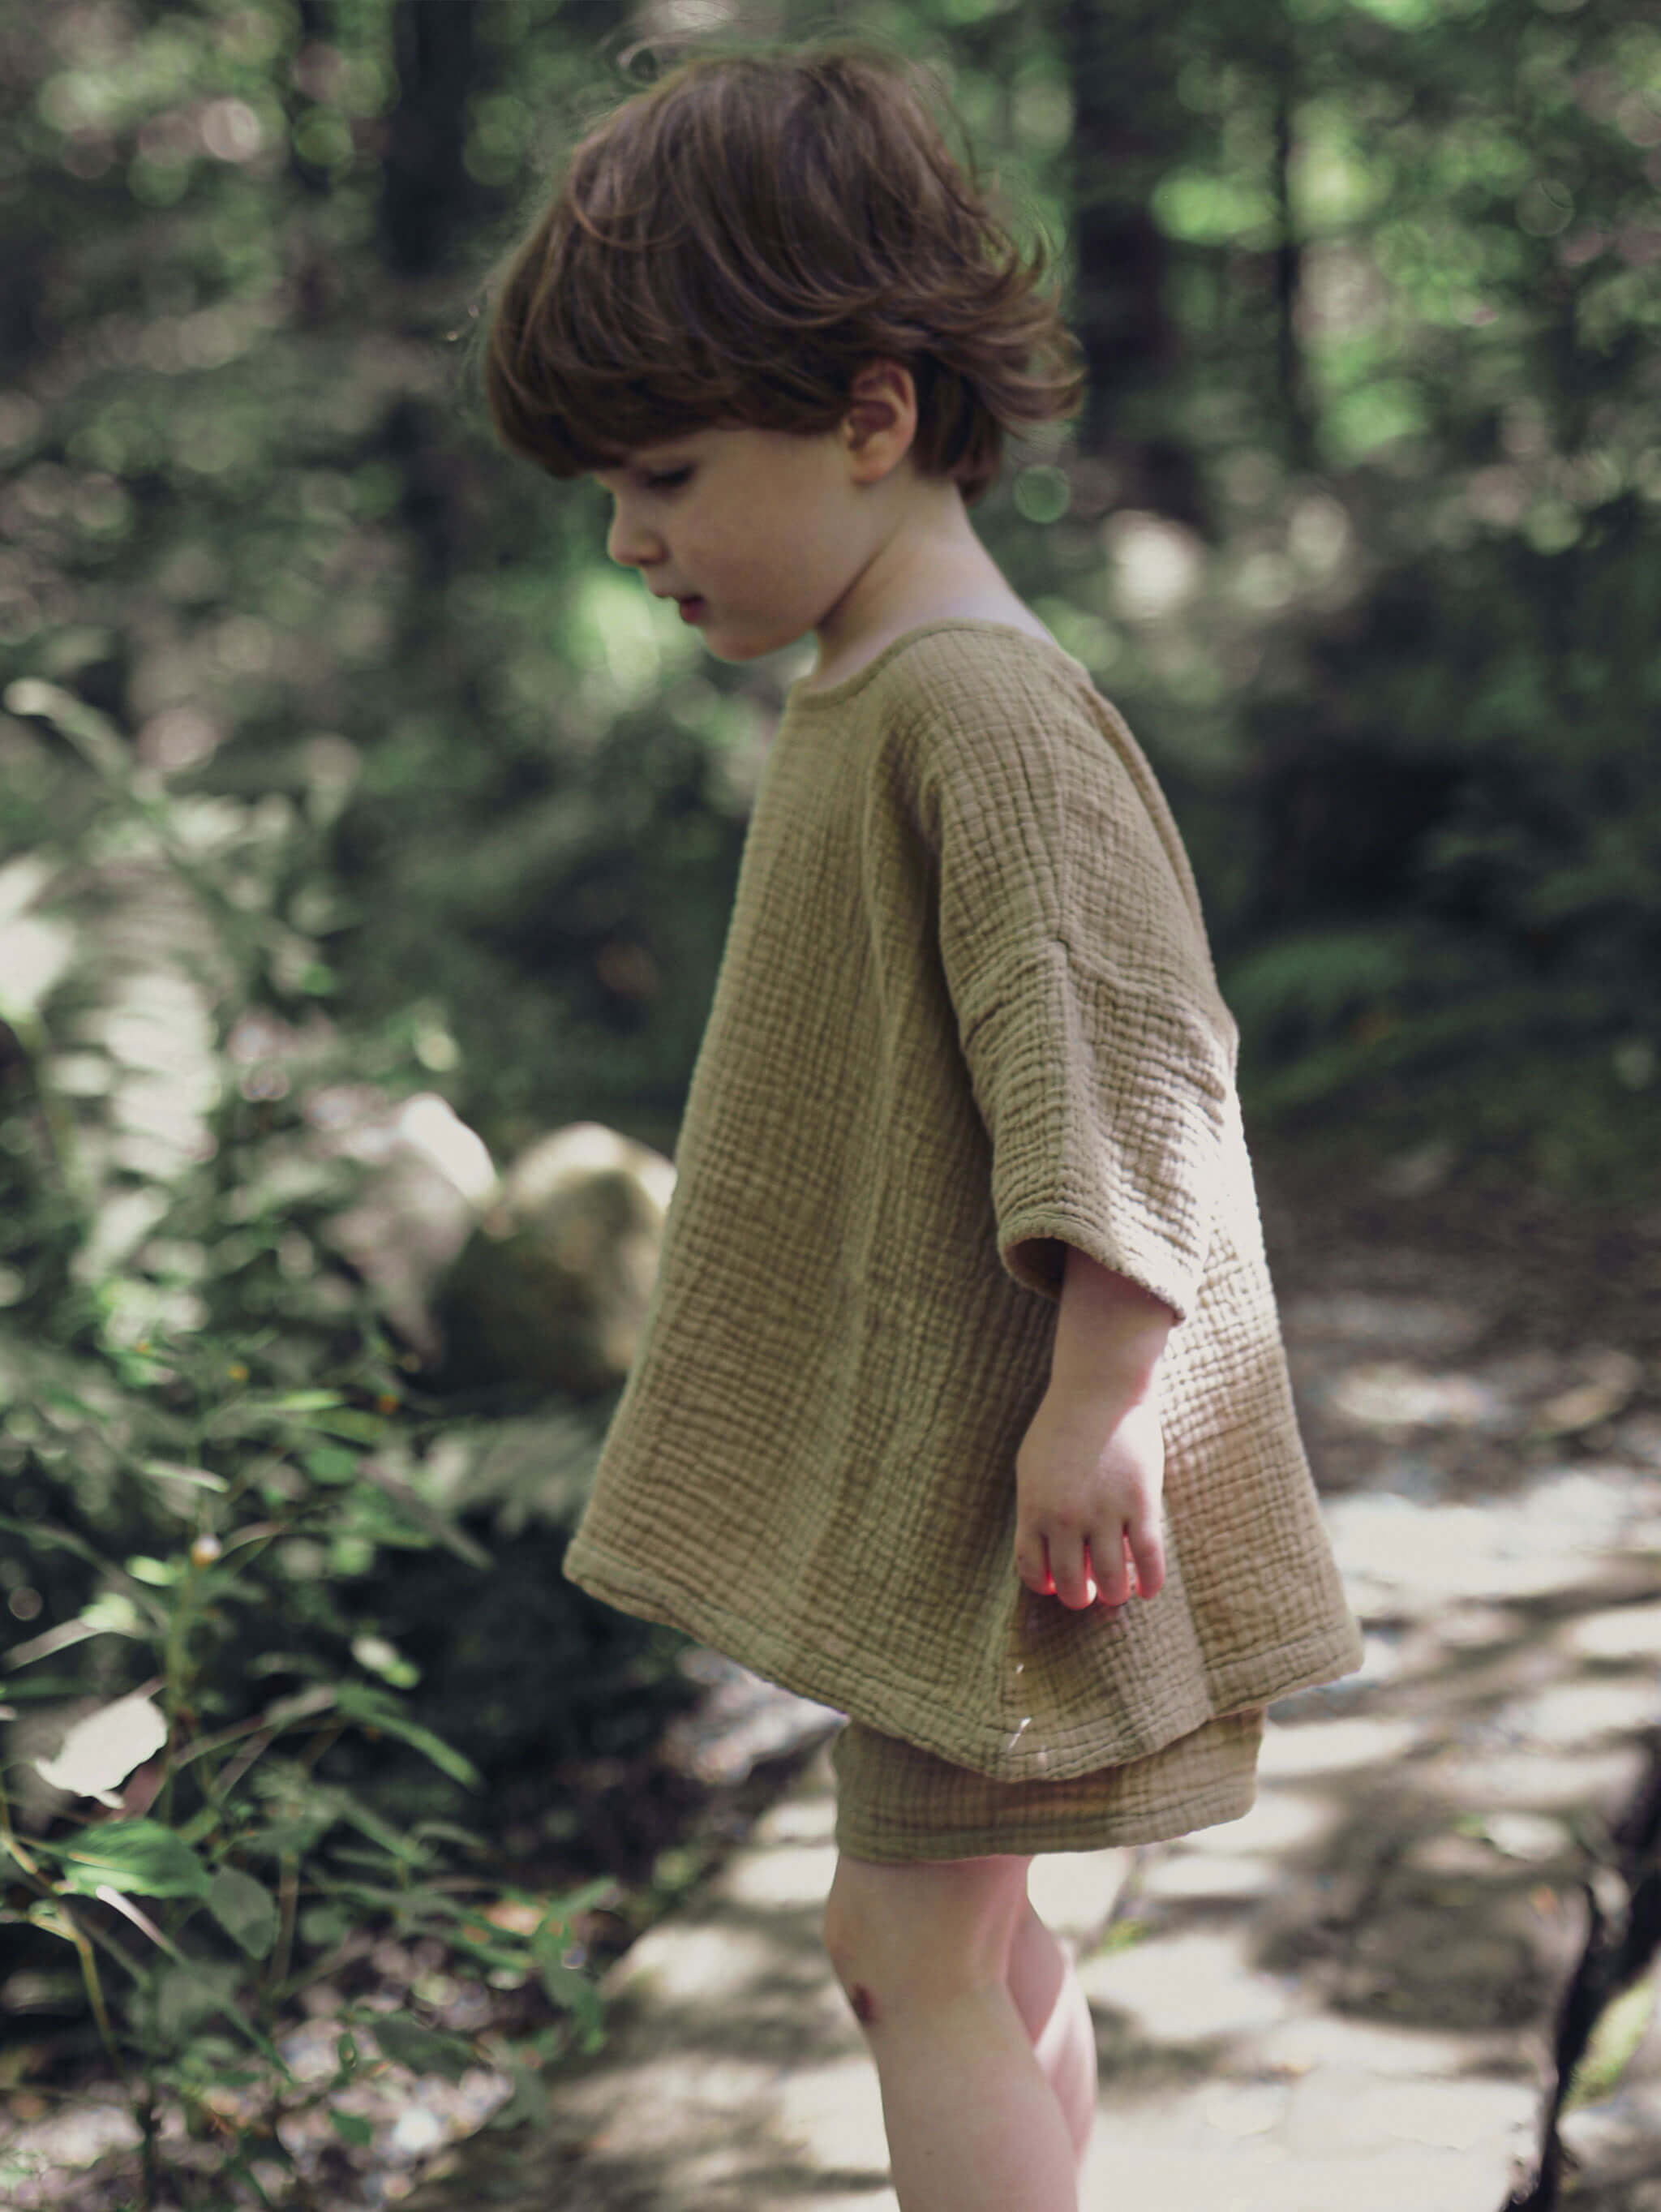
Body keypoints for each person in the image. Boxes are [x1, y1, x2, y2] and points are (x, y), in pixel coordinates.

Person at [483, 45, 1363, 2212]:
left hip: (1028, 1470)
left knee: (907, 1945)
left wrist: (1099, 1399)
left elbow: (1130, 1061)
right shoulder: (873, 681)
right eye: (607, 486)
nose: (630, 537)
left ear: (871, 416)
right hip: (979, 1455)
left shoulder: (976, 706)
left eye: (669, 472)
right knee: (956, 1935)